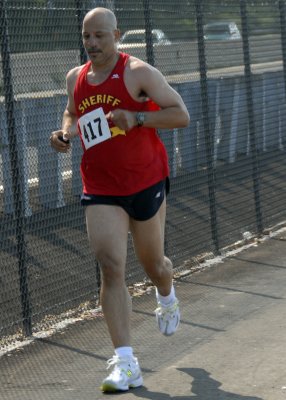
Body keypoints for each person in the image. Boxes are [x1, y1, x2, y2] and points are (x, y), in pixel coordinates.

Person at [50, 7, 190, 393]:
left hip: (144, 180)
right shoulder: (75, 77)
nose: (92, 43)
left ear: (117, 35)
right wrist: (64, 133)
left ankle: (167, 294)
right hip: (101, 185)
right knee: (111, 266)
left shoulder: (138, 73)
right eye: (86, 36)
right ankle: (126, 363)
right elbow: (72, 111)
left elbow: (180, 114)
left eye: (100, 36)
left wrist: (138, 118)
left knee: (154, 265)